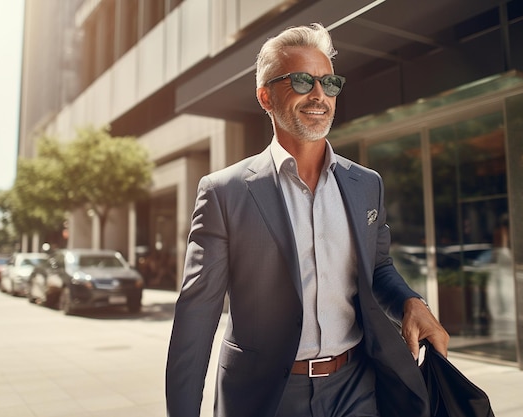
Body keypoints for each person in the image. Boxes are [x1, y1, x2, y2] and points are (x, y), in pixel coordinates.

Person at [165, 23, 449, 417]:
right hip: (268, 395)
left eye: (329, 83)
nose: (319, 95)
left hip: (357, 386)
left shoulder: (366, 184)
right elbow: (196, 317)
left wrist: (411, 302)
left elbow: (378, 267)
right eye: (302, 81)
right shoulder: (223, 192)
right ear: (265, 97)